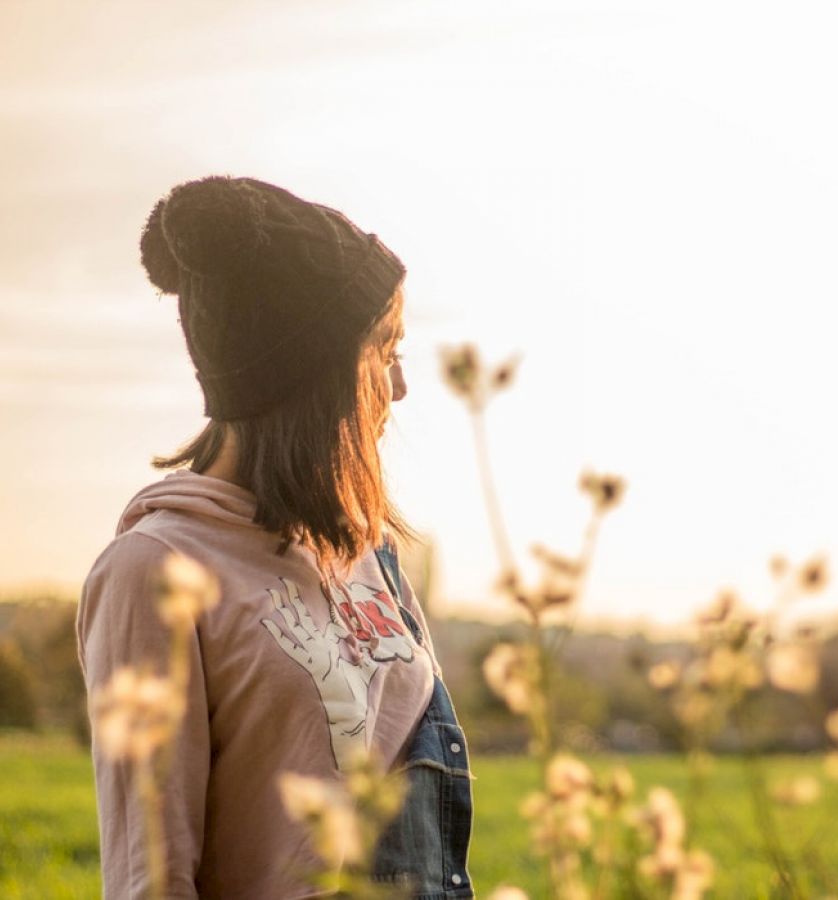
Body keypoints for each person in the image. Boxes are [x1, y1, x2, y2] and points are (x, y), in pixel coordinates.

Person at [75, 176, 473, 899]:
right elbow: (150, 879)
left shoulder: (370, 556)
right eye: (384, 351)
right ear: (313, 375)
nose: (403, 387)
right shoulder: (154, 570)